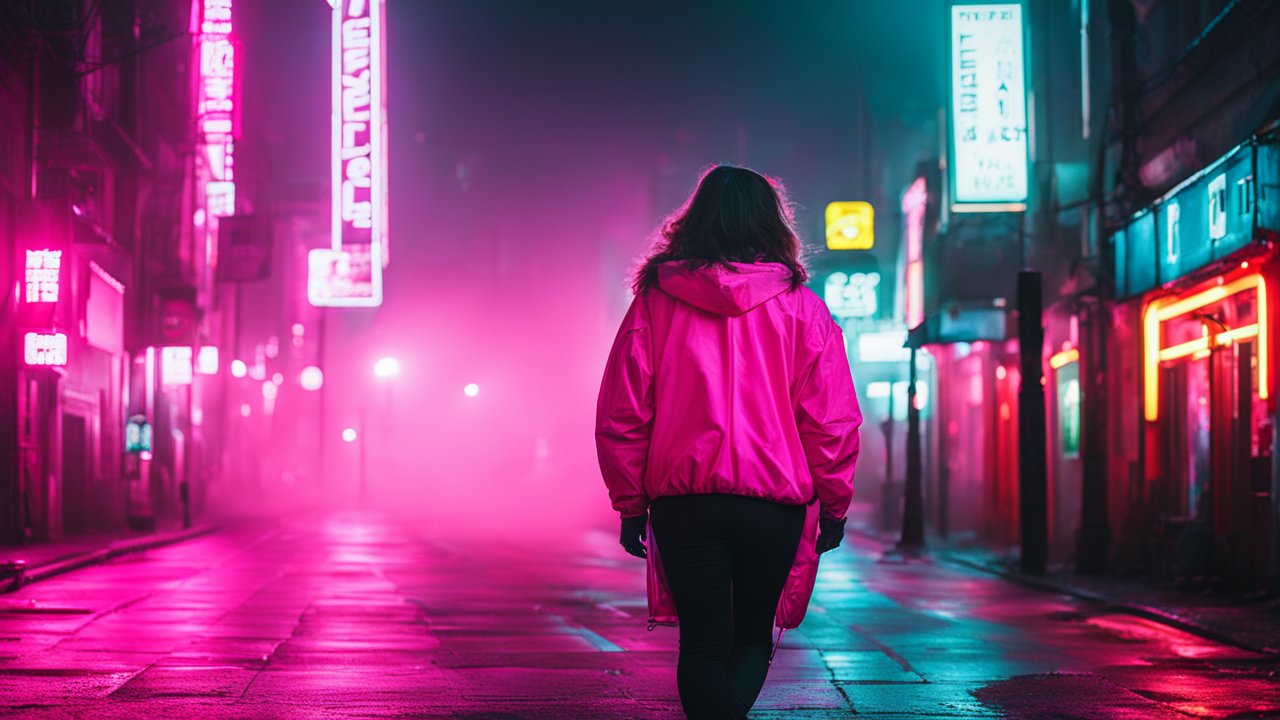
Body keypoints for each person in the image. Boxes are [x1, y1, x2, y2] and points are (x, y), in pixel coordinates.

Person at [595, 165, 862, 719]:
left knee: (701, 641)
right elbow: (830, 419)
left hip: (683, 501)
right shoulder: (803, 309)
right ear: (773, 223)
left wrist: (629, 503)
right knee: (750, 637)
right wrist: (834, 504)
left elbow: (624, 411)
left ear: (694, 221)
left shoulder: (655, 302)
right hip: (773, 504)